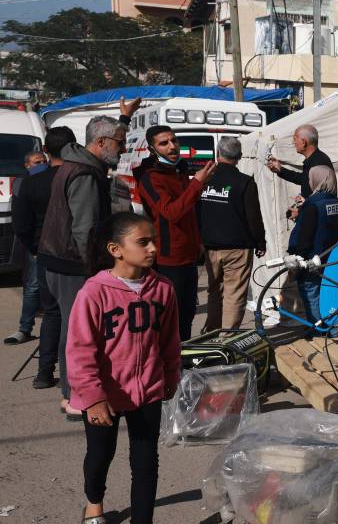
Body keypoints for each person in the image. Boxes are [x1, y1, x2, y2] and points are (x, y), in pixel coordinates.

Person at [68, 212, 180, 524]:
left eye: (153, 241)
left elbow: (169, 341)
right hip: (104, 395)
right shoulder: (94, 293)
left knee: (146, 466)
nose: (152, 248)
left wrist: (170, 376)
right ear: (116, 250)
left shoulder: (162, 289)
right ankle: (94, 501)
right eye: (143, 242)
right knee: (101, 454)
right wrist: (93, 396)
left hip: (147, 390)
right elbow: (80, 349)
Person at [38, 113, 132, 421]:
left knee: (75, 328)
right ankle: (74, 397)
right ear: (101, 142)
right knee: (77, 332)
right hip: (71, 265)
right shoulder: (85, 174)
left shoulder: (78, 166)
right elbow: (85, 230)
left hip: (61, 261)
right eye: (119, 142)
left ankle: (74, 393)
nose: (123, 147)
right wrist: (95, 270)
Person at [137, 125, 216, 341]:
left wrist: (197, 240)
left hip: (188, 254)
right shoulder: (150, 176)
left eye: (174, 140)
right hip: (168, 258)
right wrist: (197, 183)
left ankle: (184, 362)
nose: (172, 146)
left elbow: (190, 210)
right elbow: (171, 213)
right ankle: (172, 366)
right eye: (164, 143)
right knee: (172, 317)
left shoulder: (179, 168)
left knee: (187, 314)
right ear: (152, 149)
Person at [10, 127, 74, 388]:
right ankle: (69, 375)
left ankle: (44, 372)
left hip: (45, 253)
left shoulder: (30, 181)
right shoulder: (78, 176)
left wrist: (34, 248)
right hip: (70, 255)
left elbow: (21, 225)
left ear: (46, 151)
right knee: (71, 316)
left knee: (52, 314)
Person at [198, 136, 266, 331]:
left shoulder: (203, 180)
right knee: (234, 294)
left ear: (218, 154)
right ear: (240, 156)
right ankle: (227, 338)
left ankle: (211, 334)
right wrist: (260, 242)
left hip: (210, 245)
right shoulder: (244, 182)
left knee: (215, 291)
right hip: (238, 247)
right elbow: (254, 217)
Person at [287, 166, 338, 325]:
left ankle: (319, 329)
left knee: (310, 294)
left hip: (311, 259)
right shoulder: (335, 202)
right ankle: (331, 327)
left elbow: (305, 236)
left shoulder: (312, 205)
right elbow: (326, 224)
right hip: (330, 256)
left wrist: (298, 257)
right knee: (326, 294)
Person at [4, 151, 50, 346]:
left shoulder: (51, 180)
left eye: (43, 162)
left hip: (54, 241)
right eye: (36, 163)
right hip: (35, 243)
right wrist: (31, 246)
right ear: (27, 165)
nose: (41, 165)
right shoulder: (22, 184)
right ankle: (25, 328)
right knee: (32, 286)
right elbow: (20, 220)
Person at [265, 124, 333, 218]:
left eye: (295, 139)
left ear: (304, 142)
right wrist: (280, 170)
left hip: (317, 221)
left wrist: (300, 212)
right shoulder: (314, 160)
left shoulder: (319, 163)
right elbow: (303, 180)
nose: (293, 143)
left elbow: (320, 199)